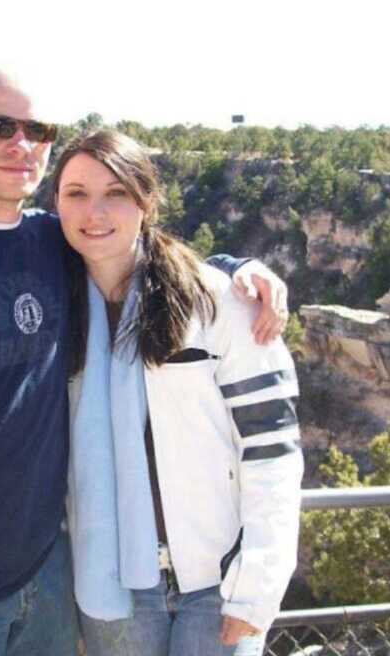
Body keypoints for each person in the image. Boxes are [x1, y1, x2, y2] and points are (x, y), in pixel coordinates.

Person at [0, 70, 289, 656]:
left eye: (36, 128)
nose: (19, 143)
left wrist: (241, 267)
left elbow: (138, 253)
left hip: (50, 582)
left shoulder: (54, 244)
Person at [54, 129, 304, 656]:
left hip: (216, 584)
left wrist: (255, 588)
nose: (95, 211)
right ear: (56, 204)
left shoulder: (219, 303)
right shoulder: (50, 312)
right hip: (111, 585)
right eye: (76, 193)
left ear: (146, 201)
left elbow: (272, 451)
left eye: (116, 192)